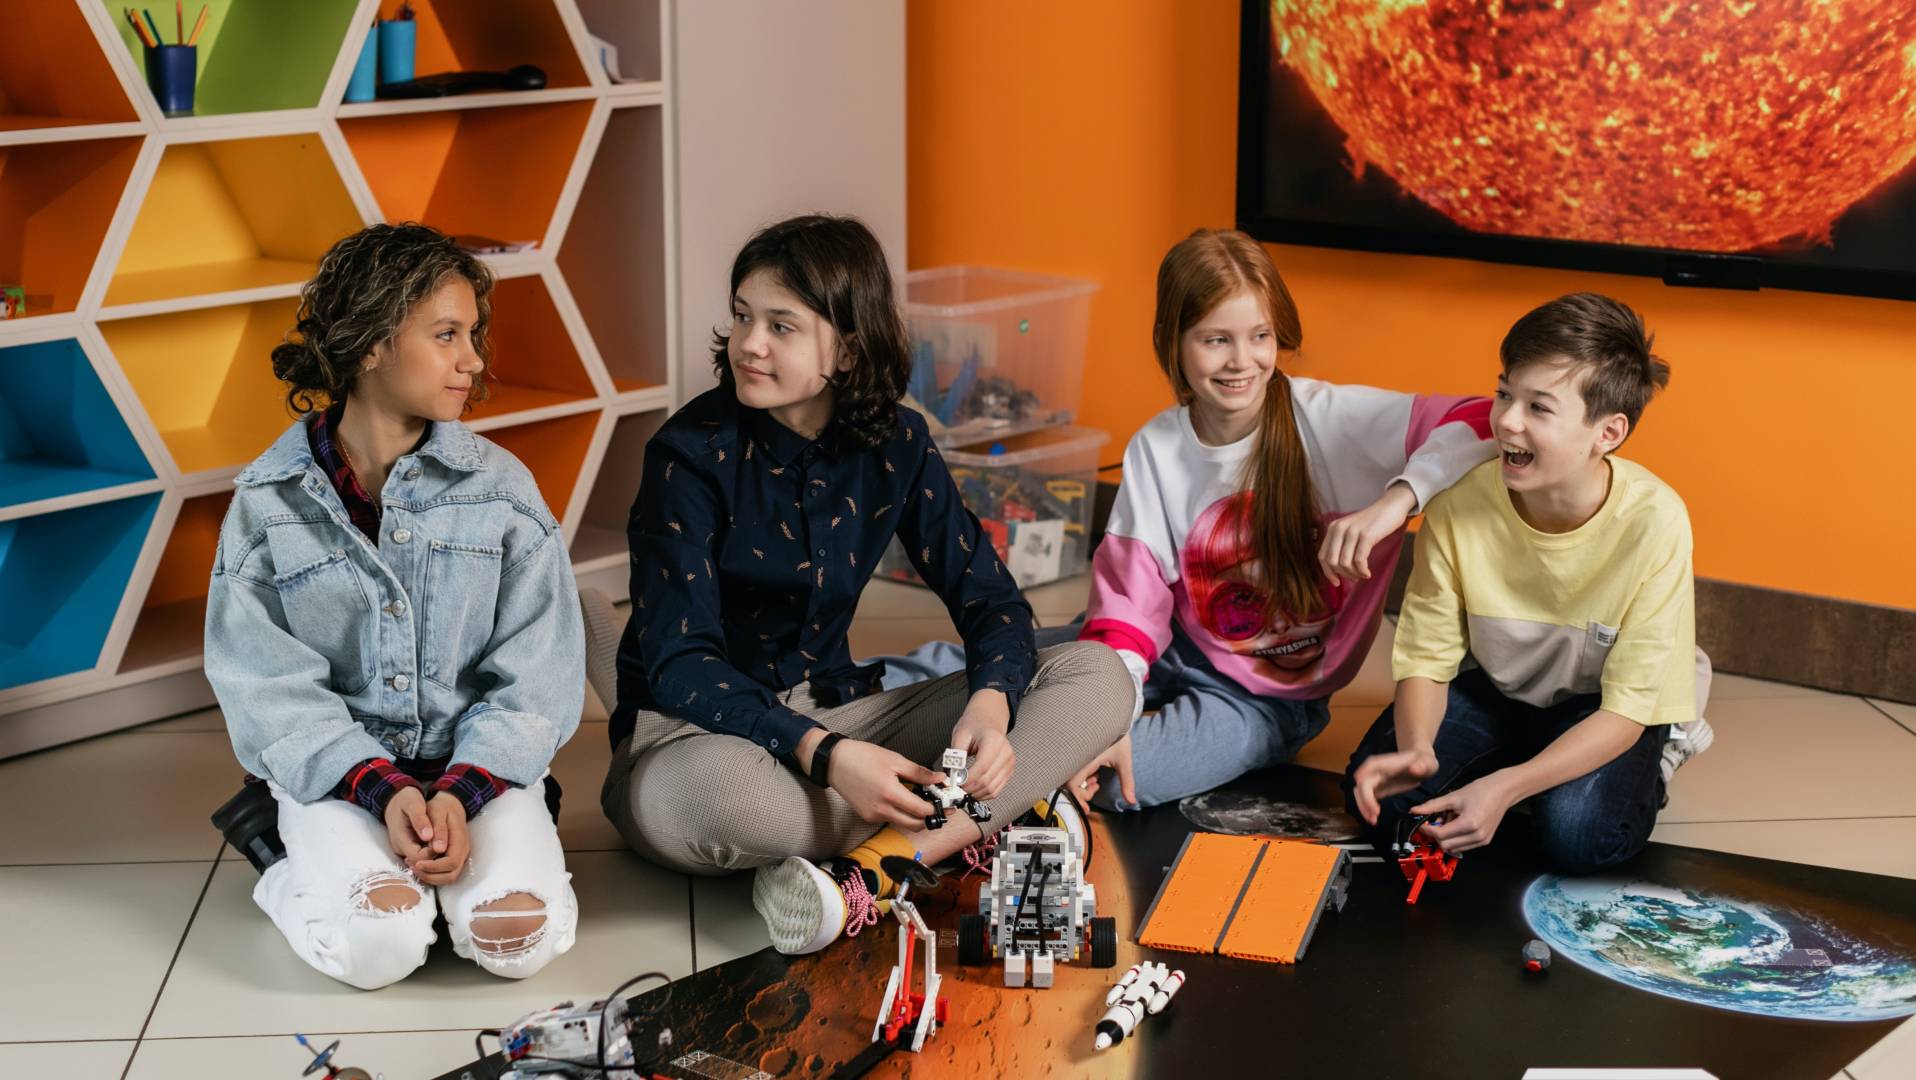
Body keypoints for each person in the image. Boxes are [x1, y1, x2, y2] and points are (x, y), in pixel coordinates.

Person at [601, 214, 1134, 956]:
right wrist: (829, 759)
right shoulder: (687, 456)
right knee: (728, 801)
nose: (749, 344)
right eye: (744, 316)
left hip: (846, 716)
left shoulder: (898, 444)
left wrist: (991, 702)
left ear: (848, 346)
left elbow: (991, 599)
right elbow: (680, 663)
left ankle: (881, 864)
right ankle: (968, 817)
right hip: (700, 738)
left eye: (782, 326)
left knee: (1099, 676)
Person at [880, 228, 1496, 811]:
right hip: (1161, 641)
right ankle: (850, 704)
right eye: (1215, 339)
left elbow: (1484, 418)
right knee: (991, 668)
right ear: (1173, 342)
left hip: (1260, 700)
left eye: (1260, 336)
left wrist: (1396, 502)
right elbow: (1128, 614)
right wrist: (1106, 714)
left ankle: (971, 769)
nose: (1242, 361)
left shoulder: (1337, 420)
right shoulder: (1156, 448)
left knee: (1107, 783)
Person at [206, 223, 584, 989]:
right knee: (381, 953)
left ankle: (488, 844)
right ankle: (279, 858)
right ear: (370, 344)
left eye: (471, 335)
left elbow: (538, 674)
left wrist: (466, 788)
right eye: (446, 335)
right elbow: (263, 686)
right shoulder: (265, 503)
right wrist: (380, 789)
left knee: (518, 944)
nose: (472, 361)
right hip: (343, 771)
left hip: (477, 763)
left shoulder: (502, 490)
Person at [1344, 292, 1714, 872]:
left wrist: (1508, 788)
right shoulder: (1460, 504)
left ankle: (1663, 746)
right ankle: (1518, 759)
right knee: (1384, 802)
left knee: (1578, 834)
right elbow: (1427, 656)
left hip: (1604, 708)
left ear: (1608, 433)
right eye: (1504, 393)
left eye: (1539, 408)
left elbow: (1625, 709)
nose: (1506, 421)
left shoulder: (1656, 521)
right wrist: (1417, 750)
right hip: (1500, 688)